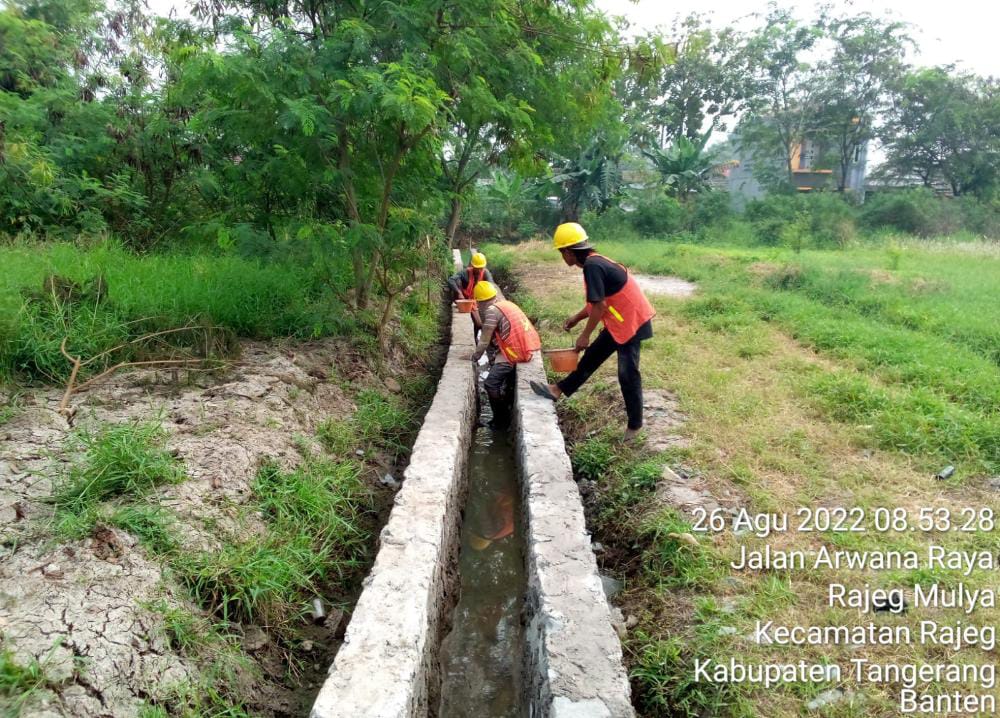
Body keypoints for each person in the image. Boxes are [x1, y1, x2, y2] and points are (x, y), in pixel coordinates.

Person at [529, 222, 655, 440]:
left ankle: (635, 426)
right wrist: (576, 319)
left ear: (569, 252)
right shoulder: (594, 262)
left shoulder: (592, 266)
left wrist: (585, 335)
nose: (563, 258)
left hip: (631, 323)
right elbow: (597, 302)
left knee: (627, 373)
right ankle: (557, 389)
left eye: (562, 253)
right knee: (591, 358)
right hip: (619, 322)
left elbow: (599, 307)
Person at [466, 280, 541, 430]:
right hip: (522, 346)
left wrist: (474, 357)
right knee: (504, 384)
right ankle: (504, 411)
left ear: (479, 302)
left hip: (513, 351)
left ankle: (501, 421)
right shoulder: (505, 304)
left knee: (491, 383)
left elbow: (484, 340)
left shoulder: (491, 312)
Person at [447, 251, 494, 332]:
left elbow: (491, 286)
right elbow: (451, 280)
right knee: (457, 281)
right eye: (477, 268)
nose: (479, 270)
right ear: (472, 266)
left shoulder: (486, 273)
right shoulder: (465, 272)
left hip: (479, 300)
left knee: (479, 324)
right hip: (465, 299)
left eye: (481, 268)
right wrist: (459, 293)